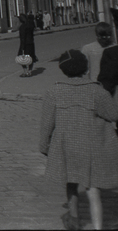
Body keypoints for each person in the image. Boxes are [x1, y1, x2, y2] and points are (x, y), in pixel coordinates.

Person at [39, 50, 118, 231]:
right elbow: (113, 114)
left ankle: (74, 219)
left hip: (66, 147)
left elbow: (46, 123)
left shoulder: (54, 91)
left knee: (71, 182)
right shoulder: (97, 91)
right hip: (91, 147)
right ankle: (98, 227)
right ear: (85, 67)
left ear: (63, 70)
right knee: (92, 190)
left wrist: (44, 146)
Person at [17, 13, 37, 77]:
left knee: (21, 58)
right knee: (31, 58)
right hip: (31, 43)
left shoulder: (22, 27)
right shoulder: (30, 25)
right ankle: (30, 71)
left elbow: (22, 38)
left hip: (25, 44)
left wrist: (22, 47)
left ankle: (25, 71)